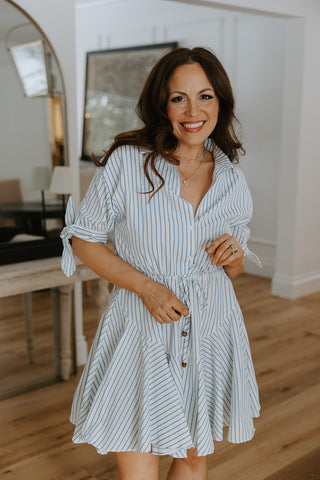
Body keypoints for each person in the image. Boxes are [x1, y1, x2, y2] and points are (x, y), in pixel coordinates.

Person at [61, 46, 261, 480]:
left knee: (192, 457)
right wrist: (147, 288)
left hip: (209, 326)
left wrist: (234, 256)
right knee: (140, 452)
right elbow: (84, 241)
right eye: (178, 98)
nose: (193, 110)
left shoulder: (232, 178)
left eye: (205, 96)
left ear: (220, 103)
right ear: (162, 105)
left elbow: (234, 270)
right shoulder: (127, 164)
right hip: (142, 327)